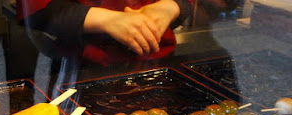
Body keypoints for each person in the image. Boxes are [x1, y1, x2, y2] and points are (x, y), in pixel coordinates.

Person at [17, 0, 193, 67]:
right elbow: (36, 11)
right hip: (84, 67)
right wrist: (106, 20)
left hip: (161, 62)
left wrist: (170, 7)